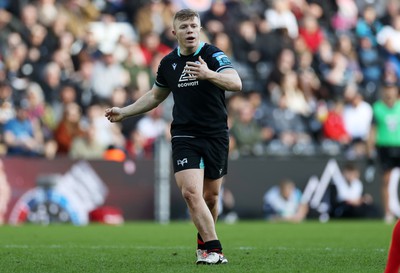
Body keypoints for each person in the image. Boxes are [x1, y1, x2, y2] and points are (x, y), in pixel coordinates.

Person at [105, 9, 242, 265]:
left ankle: (204, 243)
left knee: (211, 197)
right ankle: (214, 249)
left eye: (194, 26)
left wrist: (208, 74)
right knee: (191, 193)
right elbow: (155, 96)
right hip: (184, 135)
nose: (190, 30)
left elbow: (236, 83)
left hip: (215, 135)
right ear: (174, 32)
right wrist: (124, 112)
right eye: (185, 27)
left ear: (199, 29)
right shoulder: (168, 63)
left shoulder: (212, 55)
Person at [367, 83, 400, 223]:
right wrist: (369, 150)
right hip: (384, 147)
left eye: (392, 89)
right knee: (386, 181)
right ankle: (388, 213)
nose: (389, 92)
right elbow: (372, 130)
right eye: (386, 89)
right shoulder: (377, 108)